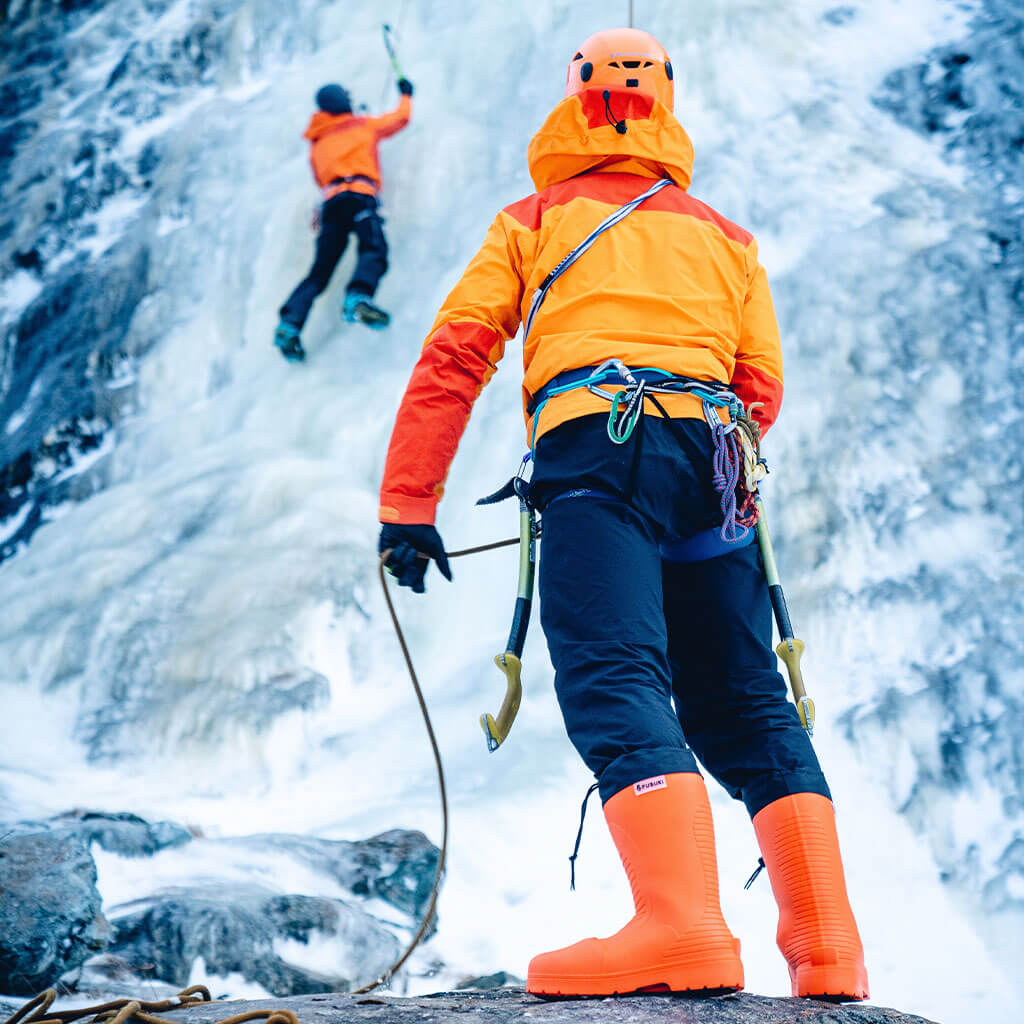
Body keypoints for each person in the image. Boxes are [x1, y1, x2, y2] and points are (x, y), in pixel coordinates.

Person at [376, 28, 869, 1001]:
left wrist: (408, 504)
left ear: (576, 99)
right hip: (714, 458)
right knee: (740, 695)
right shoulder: (725, 236)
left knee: (612, 669)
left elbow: (456, 356)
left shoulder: (534, 217)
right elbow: (760, 383)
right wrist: (704, 457)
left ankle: (681, 929)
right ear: (663, 108)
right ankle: (828, 952)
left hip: (597, 449)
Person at [274, 78, 413, 362]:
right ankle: (358, 298)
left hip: (331, 205)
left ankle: (289, 324)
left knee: (320, 272)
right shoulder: (361, 125)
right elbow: (400, 119)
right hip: (359, 196)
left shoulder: (317, 142)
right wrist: (406, 94)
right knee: (374, 248)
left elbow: (320, 179)